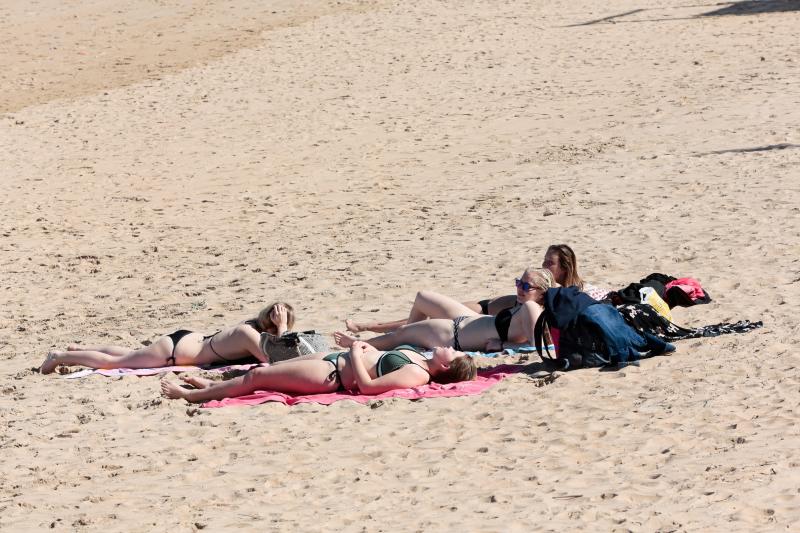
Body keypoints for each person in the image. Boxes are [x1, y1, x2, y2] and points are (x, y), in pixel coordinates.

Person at [344, 244, 588, 335]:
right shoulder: (536, 282)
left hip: (489, 322)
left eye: (550, 263)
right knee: (429, 312)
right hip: (489, 309)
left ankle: (372, 328)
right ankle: (374, 327)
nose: (543, 265)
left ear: (564, 268)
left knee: (427, 311)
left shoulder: (563, 295)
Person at [160, 340, 477, 403]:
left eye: (455, 351)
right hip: (334, 358)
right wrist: (359, 346)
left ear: (446, 365)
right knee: (266, 369)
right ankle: (210, 383)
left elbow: (366, 388)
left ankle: (191, 395)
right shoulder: (417, 357)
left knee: (257, 379)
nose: (452, 347)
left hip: (333, 376)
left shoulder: (417, 375)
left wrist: (355, 352)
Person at [334, 268, 555, 353]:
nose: (519, 288)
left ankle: (357, 345)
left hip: (455, 335)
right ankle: (377, 338)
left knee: (402, 334)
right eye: (518, 282)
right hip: (468, 322)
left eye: (525, 286)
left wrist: (503, 345)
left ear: (541, 293)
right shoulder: (525, 305)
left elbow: (535, 346)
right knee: (422, 297)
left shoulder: (530, 307)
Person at [39, 303, 294, 374]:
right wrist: (283, 328)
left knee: (129, 354)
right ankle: (62, 356)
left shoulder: (249, 328)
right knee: (114, 363)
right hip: (175, 352)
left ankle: (81, 348)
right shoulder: (249, 334)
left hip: (186, 341)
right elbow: (275, 359)